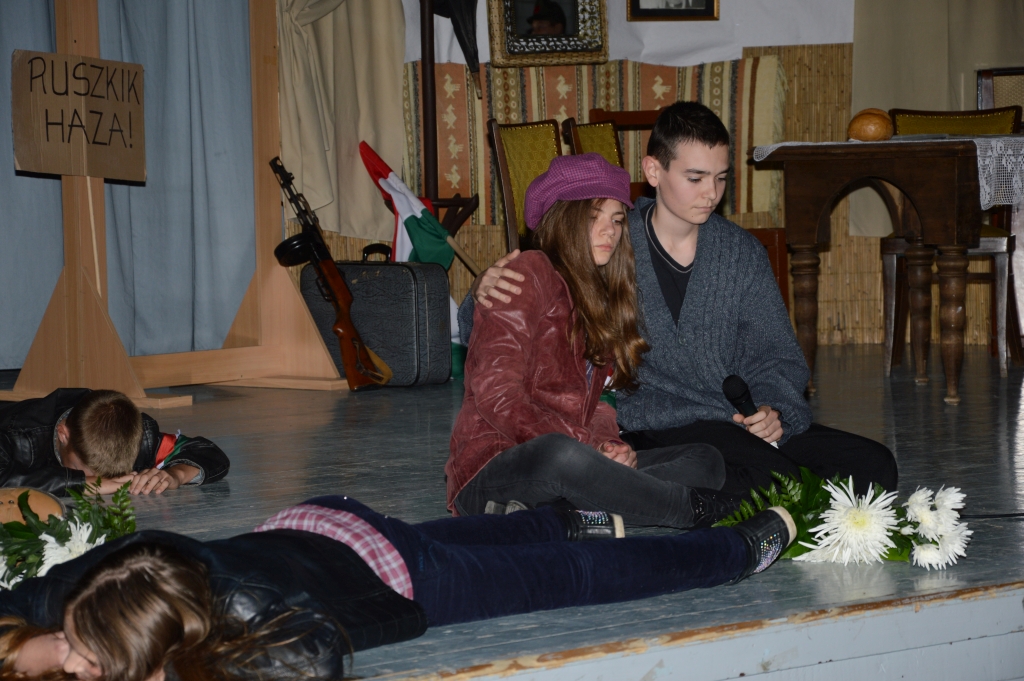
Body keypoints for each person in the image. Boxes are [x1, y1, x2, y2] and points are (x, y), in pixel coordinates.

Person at [460, 102, 898, 497]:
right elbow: (522, 310)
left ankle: (709, 495)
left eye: (721, 178)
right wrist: (481, 291)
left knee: (873, 465)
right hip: (654, 425)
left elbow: (776, 353)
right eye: (695, 178)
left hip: (738, 421)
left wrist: (773, 410)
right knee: (768, 478)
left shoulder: (741, 253)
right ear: (654, 171)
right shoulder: (610, 241)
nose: (711, 193)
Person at [0, 495, 795, 681]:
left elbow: (317, 656)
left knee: (567, 578)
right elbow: (24, 603)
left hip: (383, 568)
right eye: (72, 639)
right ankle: (561, 516)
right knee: (457, 535)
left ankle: (733, 548)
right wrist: (40, 643)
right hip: (316, 521)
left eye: (84, 654)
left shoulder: (248, 618)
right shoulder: (109, 585)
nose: (69, 660)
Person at [448, 152, 740, 530]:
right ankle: (693, 510)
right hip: (497, 466)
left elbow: (600, 403)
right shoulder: (529, 272)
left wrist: (608, 446)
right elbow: (496, 395)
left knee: (705, 459)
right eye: (593, 217)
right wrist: (585, 448)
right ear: (563, 220)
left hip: (574, 461)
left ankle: (569, 519)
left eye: (617, 220)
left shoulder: (600, 299)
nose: (610, 231)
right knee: (561, 455)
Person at [0, 389, 230, 497]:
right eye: (84, 470)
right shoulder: (17, 435)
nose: (104, 482)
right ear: (63, 434)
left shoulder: (136, 434)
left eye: (109, 476)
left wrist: (175, 475)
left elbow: (207, 452)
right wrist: (85, 484)